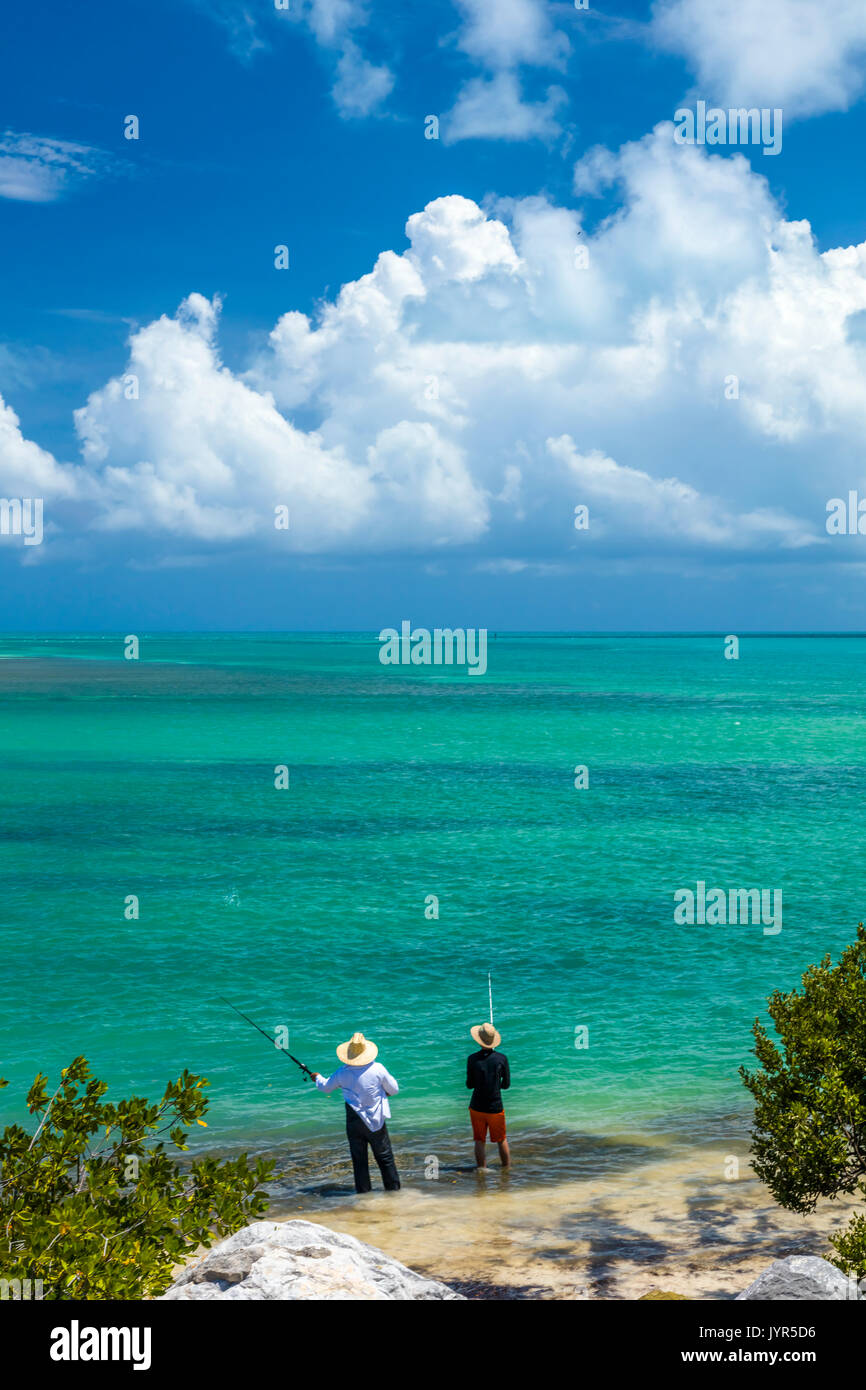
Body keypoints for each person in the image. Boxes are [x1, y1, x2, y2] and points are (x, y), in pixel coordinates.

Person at [312, 1032, 401, 1194]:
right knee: (385, 1157)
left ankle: (364, 1194)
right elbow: (394, 1090)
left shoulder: (342, 1072)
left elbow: (325, 1087)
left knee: (359, 1160)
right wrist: (382, 1093)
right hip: (376, 1120)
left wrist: (317, 1077)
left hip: (354, 1119)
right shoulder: (378, 1069)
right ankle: (394, 1192)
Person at [466, 1021, 510, 1169]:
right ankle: (506, 1171)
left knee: (479, 1141)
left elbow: (469, 1084)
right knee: (501, 1140)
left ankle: (482, 1172)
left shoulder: (472, 1059)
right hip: (495, 1107)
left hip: (477, 1107)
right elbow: (506, 1084)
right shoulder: (501, 1059)